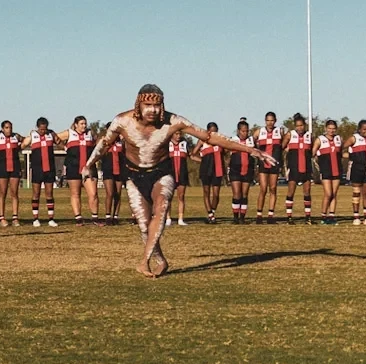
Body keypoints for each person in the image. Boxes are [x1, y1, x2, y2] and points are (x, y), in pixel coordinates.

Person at [89, 84, 273, 277]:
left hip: (161, 172)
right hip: (134, 175)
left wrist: (250, 149)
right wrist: (89, 164)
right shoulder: (122, 121)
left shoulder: (174, 121)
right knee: (144, 225)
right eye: (147, 104)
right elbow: (105, 143)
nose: (152, 110)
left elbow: (209, 137)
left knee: (161, 209)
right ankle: (160, 260)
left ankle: (143, 261)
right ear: (138, 105)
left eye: (157, 105)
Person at [61, 116, 98, 225]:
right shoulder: (69, 133)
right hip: (73, 167)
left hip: (88, 168)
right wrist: (63, 147)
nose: (84, 126)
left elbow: (98, 142)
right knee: (75, 193)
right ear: (76, 124)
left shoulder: (90, 133)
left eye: (85, 123)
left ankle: (95, 218)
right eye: (81, 124)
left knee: (93, 193)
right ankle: (78, 218)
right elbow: (55, 138)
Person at [26, 117, 59, 227]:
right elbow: (21, 145)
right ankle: (35, 218)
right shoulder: (32, 135)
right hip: (37, 169)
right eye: (41, 129)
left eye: (45, 129)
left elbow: (60, 142)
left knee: (49, 193)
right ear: (37, 127)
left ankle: (51, 218)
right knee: (36, 194)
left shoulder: (51, 134)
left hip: (49, 169)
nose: (43, 131)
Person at [281, 114, 314, 223]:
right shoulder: (290, 135)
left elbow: (312, 150)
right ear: (295, 126)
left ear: (304, 125)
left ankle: (308, 217)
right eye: (297, 126)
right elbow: (282, 146)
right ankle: (289, 217)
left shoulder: (309, 136)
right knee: (291, 191)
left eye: (301, 126)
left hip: (306, 167)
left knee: (307, 191)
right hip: (294, 166)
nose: (299, 128)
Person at [346, 120, 366, 224]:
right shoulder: (354, 138)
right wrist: (349, 156)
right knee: (356, 192)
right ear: (359, 129)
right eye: (364, 129)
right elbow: (340, 148)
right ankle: (356, 217)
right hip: (357, 167)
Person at [0, 121, 21, 228]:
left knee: (14, 193)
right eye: (7, 127)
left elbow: (25, 140)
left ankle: (15, 217)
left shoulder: (16, 136)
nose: (9, 130)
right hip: (2, 167)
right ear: (3, 128)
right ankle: (2, 217)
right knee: (2, 193)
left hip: (15, 167)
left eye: (10, 127)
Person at [313, 120, 344, 224]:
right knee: (328, 193)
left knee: (334, 194)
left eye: (333, 128)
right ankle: (323, 216)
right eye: (329, 128)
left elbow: (341, 153)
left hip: (337, 169)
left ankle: (331, 216)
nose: (331, 130)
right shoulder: (320, 140)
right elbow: (312, 153)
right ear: (326, 128)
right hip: (326, 170)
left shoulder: (339, 139)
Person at [254, 112, 283, 223]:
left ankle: (270, 215)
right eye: (268, 120)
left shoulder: (280, 131)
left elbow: (283, 145)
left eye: (272, 120)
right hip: (263, 164)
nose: (270, 123)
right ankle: (259, 215)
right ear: (265, 120)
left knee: (273, 188)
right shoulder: (259, 132)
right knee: (263, 189)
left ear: (275, 120)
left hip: (274, 164)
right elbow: (251, 143)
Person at [226, 120, 256, 223]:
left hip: (248, 170)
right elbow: (225, 152)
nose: (245, 133)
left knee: (244, 194)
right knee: (236, 194)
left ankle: (242, 218)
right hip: (235, 170)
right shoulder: (232, 140)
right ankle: (235, 217)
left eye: (247, 131)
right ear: (238, 131)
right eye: (243, 131)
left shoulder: (251, 140)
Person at [196, 123, 226, 224]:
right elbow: (192, 154)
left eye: (215, 131)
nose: (214, 133)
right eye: (212, 131)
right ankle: (210, 215)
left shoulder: (220, 141)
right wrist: (202, 161)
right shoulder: (202, 140)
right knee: (206, 192)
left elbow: (225, 153)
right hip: (206, 169)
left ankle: (212, 212)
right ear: (208, 131)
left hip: (217, 169)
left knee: (216, 195)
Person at [164, 131, 191, 226]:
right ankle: (168, 218)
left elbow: (191, 156)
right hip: (170, 173)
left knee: (181, 196)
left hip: (182, 174)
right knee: (168, 197)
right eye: (176, 134)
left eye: (180, 134)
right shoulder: (167, 144)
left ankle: (180, 218)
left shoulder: (184, 144)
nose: (178, 136)